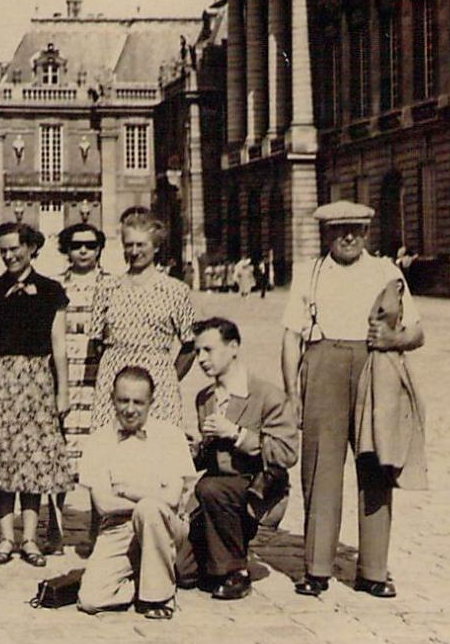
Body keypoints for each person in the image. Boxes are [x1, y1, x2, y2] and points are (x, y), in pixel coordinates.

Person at [282, 201, 423, 599]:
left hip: (374, 369)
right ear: (326, 233)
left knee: (376, 467)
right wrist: (293, 393)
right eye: (340, 230)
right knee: (320, 469)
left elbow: (417, 330)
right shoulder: (307, 273)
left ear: (367, 233)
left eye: (356, 230)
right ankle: (317, 569)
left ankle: (373, 571)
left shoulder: (386, 272)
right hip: (322, 365)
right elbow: (291, 337)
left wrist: (394, 339)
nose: (348, 237)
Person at [0, 222, 71, 567]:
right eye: (4, 250)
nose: (9, 255)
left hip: (37, 379)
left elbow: (59, 346)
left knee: (34, 461)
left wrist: (63, 391)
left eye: (15, 248)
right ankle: (5, 537)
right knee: (0, 460)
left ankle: (30, 538)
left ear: (31, 248)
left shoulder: (52, 291)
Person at [184, 317, 299, 600]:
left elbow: (286, 452)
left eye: (208, 350)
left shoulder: (267, 395)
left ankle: (237, 572)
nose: (200, 359)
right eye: (197, 351)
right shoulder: (205, 398)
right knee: (183, 572)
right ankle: (218, 562)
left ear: (233, 347)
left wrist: (236, 433)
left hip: (257, 487)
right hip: (216, 491)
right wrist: (193, 449)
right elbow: (210, 458)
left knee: (210, 488)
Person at [76, 368, 198, 620]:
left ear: (151, 403)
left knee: (150, 511)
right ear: (112, 399)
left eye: (138, 402)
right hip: (118, 530)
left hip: (165, 527)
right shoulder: (99, 441)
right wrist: (153, 495)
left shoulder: (170, 436)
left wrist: (129, 491)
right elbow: (103, 505)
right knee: (90, 600)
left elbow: (173, 499)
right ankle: (141, 580)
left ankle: (159, 597)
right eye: (123, 401)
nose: (130, 409)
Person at [92, 213, 197, 435]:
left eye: (141, 245)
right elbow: (97, 340)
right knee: (112, 445)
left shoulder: (175, 290)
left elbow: (190, 345)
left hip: (158, 380)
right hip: (114, 379)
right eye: (129, 245)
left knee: (158, 446)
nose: (134, 251)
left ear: (156, 247)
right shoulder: (107, 287)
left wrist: (168, 377)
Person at [54, 222, 114, 552]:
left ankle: (96, 526)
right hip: (64, 375)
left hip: (98, 377)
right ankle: (56, 525)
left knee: (96, 454)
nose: (83, 251)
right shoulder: (56, 285)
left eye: (90, 246)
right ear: (66, 248)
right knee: (60, 451)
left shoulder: (111, 285)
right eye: (77, 245)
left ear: (99, 249)